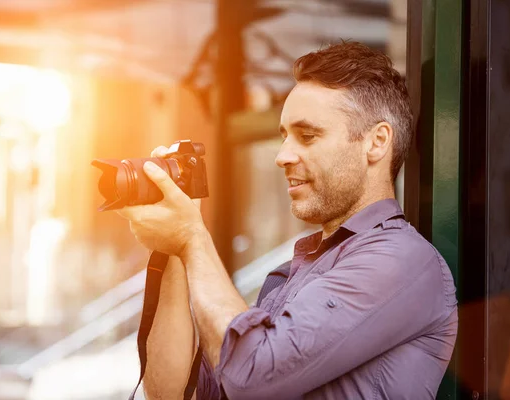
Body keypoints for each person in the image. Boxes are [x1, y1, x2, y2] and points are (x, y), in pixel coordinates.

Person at [118, 41, 458, 399]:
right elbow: (170, 392)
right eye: (284, 137)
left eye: (307, 136)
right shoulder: (288, 276)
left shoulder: (402, 261)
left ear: (376, 142)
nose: (282, 156)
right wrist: (176, 248)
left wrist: (192, 237)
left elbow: (254, 377)